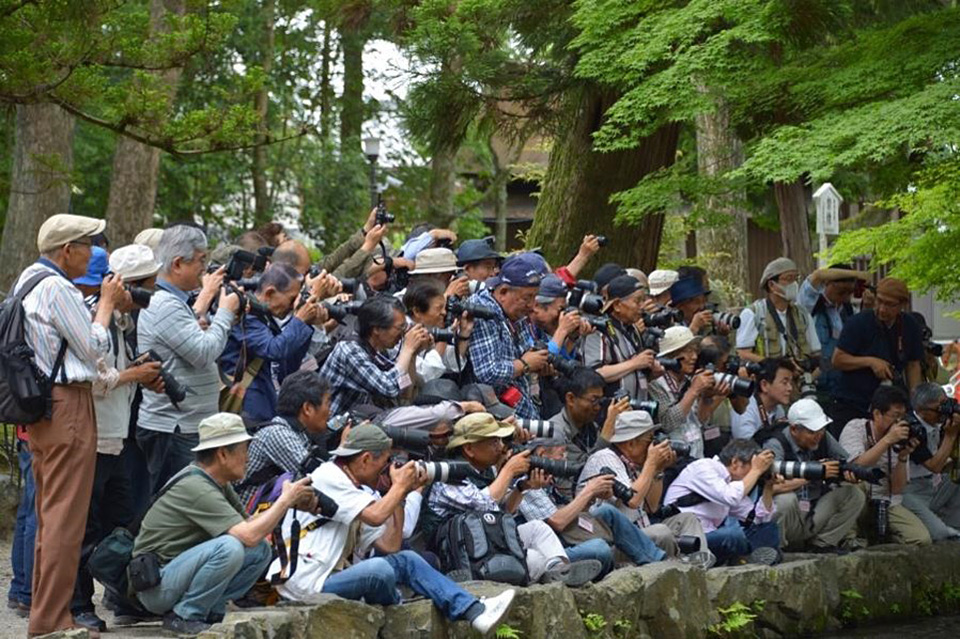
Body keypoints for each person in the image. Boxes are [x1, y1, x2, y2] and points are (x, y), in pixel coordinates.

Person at [266, 423, 516, 634]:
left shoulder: (360, 490)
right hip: (306, 581)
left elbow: (390, 545)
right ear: (365, 459)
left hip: (330, 577)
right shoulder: (328, 476)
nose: (387, 470)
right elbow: (375, 517)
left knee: (405, 559)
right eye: (385, 463)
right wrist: (397, 487)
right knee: (380, 570)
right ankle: (397, 604)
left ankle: (475, 611)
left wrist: (403, 493)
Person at [13, 214, 127, 637]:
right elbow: (95, 347)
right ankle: (51, 620)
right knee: (66, 519)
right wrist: (108, 305)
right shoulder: (57, 287)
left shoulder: (27, 278)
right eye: (87, 244)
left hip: (41, 410)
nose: (94, 252)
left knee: (49, 514)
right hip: (68, 406)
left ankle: (47, 611)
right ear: (67, 251)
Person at [132, 413, 315, 634]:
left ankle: (210, 609)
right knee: (231, 547)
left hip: (176, 575)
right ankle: (185, 615)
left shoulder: (216, 482)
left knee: (260, 551)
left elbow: (248, 525)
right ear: (223, 454)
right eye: (244, 450)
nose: (248, 458)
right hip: (156, 587)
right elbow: (247, 534)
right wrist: (284, 501)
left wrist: (287, 504)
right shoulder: (196, 486)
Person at [72, 245, 167, 631]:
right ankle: (78, 605)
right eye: (144, 288)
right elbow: (88, 380)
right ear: (122, 287)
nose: (147, 297)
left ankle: (124, 597)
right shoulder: (97, 318)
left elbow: (115, 374)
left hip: (117, 436)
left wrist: (139, 373)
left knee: (124, 525)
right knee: (85, 527)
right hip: (94, 438)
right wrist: (133, 377)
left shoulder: (124, 324)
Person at [426, 413, 605, 586]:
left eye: (500, 440)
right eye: (493, 441)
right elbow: (483, 504)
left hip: (486, 545)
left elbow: (500, 514)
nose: (500, 446)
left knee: (537, 529)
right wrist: (509, 470)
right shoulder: (448, 475)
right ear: (469, 449)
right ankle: (549, 579)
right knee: (534, 560)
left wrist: (522, 487)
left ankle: (560, 571)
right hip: (460, 560)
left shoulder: (485, 470)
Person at [137, 225, 241, 493]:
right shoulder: (164, 304)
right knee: (173, 504)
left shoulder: (175, 302)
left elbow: (193, 345)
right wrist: (226, 313)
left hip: (183, 425)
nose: (204, 270)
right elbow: (204, 352)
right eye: (201, 261)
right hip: (173, 428)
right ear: (178, 263)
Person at [578, 411, 711, 563]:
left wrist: (659, 470)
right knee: (661, 532)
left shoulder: (636, 463)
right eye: (649, 440)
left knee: (688, 519)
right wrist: (651, 463)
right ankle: (673, 572)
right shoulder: (605, 457)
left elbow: (651, 507)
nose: (653, 445)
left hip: (639, 530)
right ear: (631, 443)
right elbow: (632, 500)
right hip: (613, 541)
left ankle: (700, 566)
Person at [518, 439, 667, 572]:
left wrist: (592, 497)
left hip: (567, 538)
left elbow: (569, 517)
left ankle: (657, 561)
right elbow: (558, 522)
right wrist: (589, 491)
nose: (565, 460)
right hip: (552, 554)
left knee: (606, 511)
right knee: (599, 548)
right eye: (561, 454)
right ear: (543, 454)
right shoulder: (527, 484)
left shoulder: (549, 483)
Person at [218, 263, 327, 422]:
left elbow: (287, 369)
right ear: (269, 293)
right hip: (243, 411)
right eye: (291, 300)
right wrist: (300, 320)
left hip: (262, 409)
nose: (292, 307)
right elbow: (274, 350)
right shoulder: (244, 315)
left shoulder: (265, 318)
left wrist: (307, 322)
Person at [762, 398, 866, 552]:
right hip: (791, 514)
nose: (818, 435)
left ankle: (822, 544)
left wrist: (850, 473)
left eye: (822, 429)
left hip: (814, 509)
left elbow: (845, 460)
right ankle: (776, 549)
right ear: (794, 429)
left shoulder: (822, 437)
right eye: (812, 431)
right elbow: (772, 487)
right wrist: (814, 473)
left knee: (854, 494)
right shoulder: (775, 444)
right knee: (785, 500)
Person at [839, 387, 932, 545]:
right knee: (851, 484)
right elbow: (854, 466)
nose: (899, 423)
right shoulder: (855, 428)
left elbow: (897, 488)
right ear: (877, 414)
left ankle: (882, 539)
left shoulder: (901, 439)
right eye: (895, 416)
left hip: (885, 501)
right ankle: (849, 539)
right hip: (858, 498)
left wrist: (903, 457)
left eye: (902, 417)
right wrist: (887, 440)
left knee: (921, 539)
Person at [665, 439, 781, 565]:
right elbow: (730, 496)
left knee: (769, 528)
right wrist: (756, 471)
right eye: (752, 467)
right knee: (732, 535)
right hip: (688, 538)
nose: (756, 474)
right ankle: (752, 557)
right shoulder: (704, 467)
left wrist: (768, 488)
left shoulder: (731, 482)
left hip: (713, 536)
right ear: (735, 462)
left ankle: (753, 557)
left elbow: (755, 518)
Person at [830, 277, 925, 428]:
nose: (882, 308)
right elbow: (837, 360)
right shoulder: (858, 322)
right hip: (853, 403)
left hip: (889, 406)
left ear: (903, 305)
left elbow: (913, 365)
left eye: (889, 305)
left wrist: (915, 400)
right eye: (879, 301)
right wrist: (870, 362)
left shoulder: (910, 325)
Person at [467, 253, 550, 419]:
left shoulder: (515, 313)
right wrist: (525, 364)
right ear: (503, 292)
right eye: (527, 298)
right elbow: (486, 371)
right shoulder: (483, 311)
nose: (532, 306)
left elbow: (527, 351)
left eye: (535, 297)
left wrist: (540, 364)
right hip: (496, 418)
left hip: (524, 407)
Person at [320, 295, 430, 415]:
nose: (403, 333)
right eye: (400, 327)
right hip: (330, 427)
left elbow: (405, 394)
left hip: (358, 421)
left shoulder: (381, 350)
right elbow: (388, 388)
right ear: (377, 329)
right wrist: (407, 349)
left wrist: (413, 354)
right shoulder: (350, 350)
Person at [234, 370, 332, 506]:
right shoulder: (277, 433)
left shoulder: (297, 431)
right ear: (308, 408)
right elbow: (319, 480)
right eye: (327, 404)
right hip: (248, 517)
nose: (330, 411)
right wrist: (346, 447)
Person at [649, 326, 730, 459]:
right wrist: (693, 391)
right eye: (687, 352)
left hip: (697, 455)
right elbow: (668, 423)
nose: (694, 357)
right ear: (671, 355)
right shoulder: (656, 384)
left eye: (695, 351)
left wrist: (707, 397)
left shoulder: (689, 380)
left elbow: (700, 421)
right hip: (675, 462)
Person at [797, 265, 869, 401]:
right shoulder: (809, 304)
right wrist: (857, 274)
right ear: (826, 284)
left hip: (840, 384)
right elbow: (818, 275)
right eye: (842, 292)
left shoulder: (848, 310)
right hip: (814, 382)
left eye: (850, 292)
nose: (846, 297)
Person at [581, 275, 659, 401]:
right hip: (610, 412)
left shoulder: (632, 329)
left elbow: (632, 372)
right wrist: (634, 363)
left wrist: (651, 372)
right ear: (617, 305)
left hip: (635, 410)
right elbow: (596, 373)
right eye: (637, 301)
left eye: (643, 300)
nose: (642, 306)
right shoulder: (599, 329)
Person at [903, 383, 960, 540]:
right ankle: (942, 526)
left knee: (957, 475)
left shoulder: (938, 422)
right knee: (940, 534)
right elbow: (935, 466)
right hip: (909, 490)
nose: (944, 412)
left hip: (933, 484)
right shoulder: (910, 428)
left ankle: (953, 524)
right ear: (922, 411)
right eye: (939, 408)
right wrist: (951, 436)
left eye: (946, 403)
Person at [737, 257, 821, 365]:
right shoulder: (753, 313)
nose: (794, 284)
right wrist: (776, 366)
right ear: (771, 285)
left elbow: (816, 351)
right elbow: (743, 354)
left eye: (796, 279)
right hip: (768, 379)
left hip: (799, 378)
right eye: (788, 279)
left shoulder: (802, 314)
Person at [402, 279, 472, 382]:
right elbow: (424, 376)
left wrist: (464, 333)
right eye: (439, 308)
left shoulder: (425, 328)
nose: (444, 313)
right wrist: (444, 337)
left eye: (444, 307)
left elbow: (453, 364)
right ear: (417, 311)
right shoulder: (404, 331)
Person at [731, 358, 795, 441]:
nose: (790, 388)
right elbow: (746, 446)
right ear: (764, 385)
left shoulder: (778, 409)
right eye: (784, 383)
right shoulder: (745, 409)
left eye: (790, 383)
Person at [667, 277, 733, 337]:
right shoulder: (670, 325)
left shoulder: (707, 323)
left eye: (703, 301)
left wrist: (721, 336)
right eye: (696, 302)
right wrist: (693, 328)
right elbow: (679, 348)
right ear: (680, 306)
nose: (701, 306)